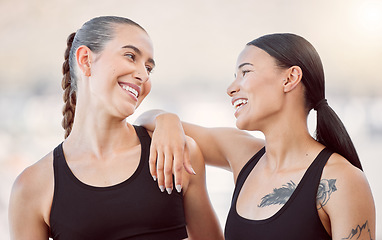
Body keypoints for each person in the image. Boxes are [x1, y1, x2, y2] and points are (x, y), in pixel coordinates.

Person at [136, 33, 376, 239]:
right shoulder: (242, 154)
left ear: (290, 78)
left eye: (245, 72)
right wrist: (166, 120)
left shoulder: (342, 180)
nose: (231, 88)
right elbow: (145, 119)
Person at [8, 16, 223, 240]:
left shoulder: (177, 155)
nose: (143, 75)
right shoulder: (32, 187)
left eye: (149, 68)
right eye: (131, 56)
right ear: (85, 60)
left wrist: (166, 118)